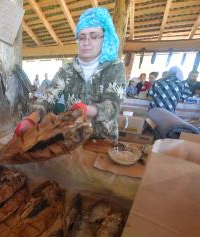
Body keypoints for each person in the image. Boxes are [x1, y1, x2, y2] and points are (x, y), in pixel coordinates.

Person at [15, 7, 125, 140]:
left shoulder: (114, 67)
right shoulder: (67, 70)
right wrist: (32, 118)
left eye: (94, 36)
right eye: (82, 37)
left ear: (104, 38)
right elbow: (48, 97)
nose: (86, 42)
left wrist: (87, 110)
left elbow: (113, 106)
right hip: (73, 138)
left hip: (104, 139)